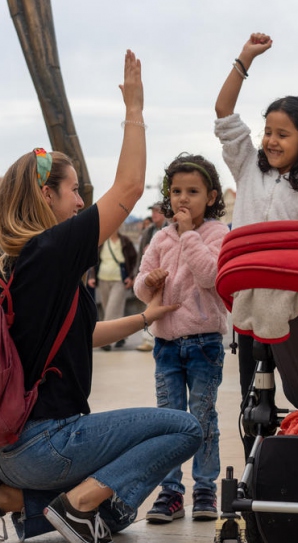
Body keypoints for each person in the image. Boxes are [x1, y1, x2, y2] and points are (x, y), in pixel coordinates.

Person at [0, 50, 203, 543]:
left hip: (8, 449)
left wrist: (147, 318)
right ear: (46, 196)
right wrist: (135, 109)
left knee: (119, 513)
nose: (82, 202)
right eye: (73, 192)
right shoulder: (50, 250)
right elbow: (127, 189)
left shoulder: (14, 262)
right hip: (45, 442)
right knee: (185, 428)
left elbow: (83, 337)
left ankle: (4, 497)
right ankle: (68, 502)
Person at [214, 32, 298, 458]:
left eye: (283, 134)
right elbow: (224, 111)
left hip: (292, 306)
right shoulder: (248, 166)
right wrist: (245, 59)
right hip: (249, 299)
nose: (271, 140)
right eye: (268, 131)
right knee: (253, 389)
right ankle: (255, 460)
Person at [134, 154, 229, 523]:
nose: (183, 199)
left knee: (202, 417)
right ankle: (171, 491)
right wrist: (150, 282)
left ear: (211, 196)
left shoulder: (217, 234)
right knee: (168, 419)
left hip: (204, 342)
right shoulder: (160, 238)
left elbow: (211, 277)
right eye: (176, 191)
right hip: (167, 343)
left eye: (193, 191)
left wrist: (189, 233)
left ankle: (205, 488)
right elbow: (142, 285)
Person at [90, 230, 138, 351]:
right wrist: (91, 276)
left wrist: (131, 277)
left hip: (119, 281)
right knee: (109, 309)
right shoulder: (102, 242)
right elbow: (93, 260)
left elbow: (134, 260)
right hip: (103, 279)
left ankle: (105, 340)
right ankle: (120, 336)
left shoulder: (125, 241)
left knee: (112, 309)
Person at [135, 203, 168, 352]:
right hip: (150, 277)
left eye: (157, 211)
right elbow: (140, 257)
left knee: (162, 310)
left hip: (166, 276)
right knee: (148, 308)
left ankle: (158, 339)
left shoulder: (170, 229)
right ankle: (148, 340)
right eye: (153, 211)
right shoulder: (148, 231)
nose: (154, 214)